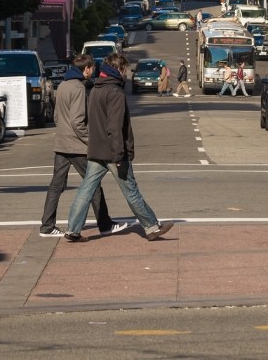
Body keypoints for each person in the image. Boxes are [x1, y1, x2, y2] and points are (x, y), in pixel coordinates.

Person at [64, 53, 173, 241]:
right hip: (113, 152)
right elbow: (114, 127)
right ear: (119, 69)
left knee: (86, 189)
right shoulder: (115, 92)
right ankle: (151, 226)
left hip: (96, 149)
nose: (126, 74)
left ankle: (73, 229)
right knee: (131, 190)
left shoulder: (95, 90)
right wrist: (119, 155)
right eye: (124, 70)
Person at [39, 54, 123, 238]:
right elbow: (78, 121)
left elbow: (56, 117)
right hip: (76, 145)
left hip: (61, 143)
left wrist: (64, 131)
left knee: (56, 186)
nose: (93, 72)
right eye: (92, 68)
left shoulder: (62, 85)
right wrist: (90, 140)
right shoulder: (78, 88)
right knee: (92, 184)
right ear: (86, 69)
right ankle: (105, 224)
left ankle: (47, 226)